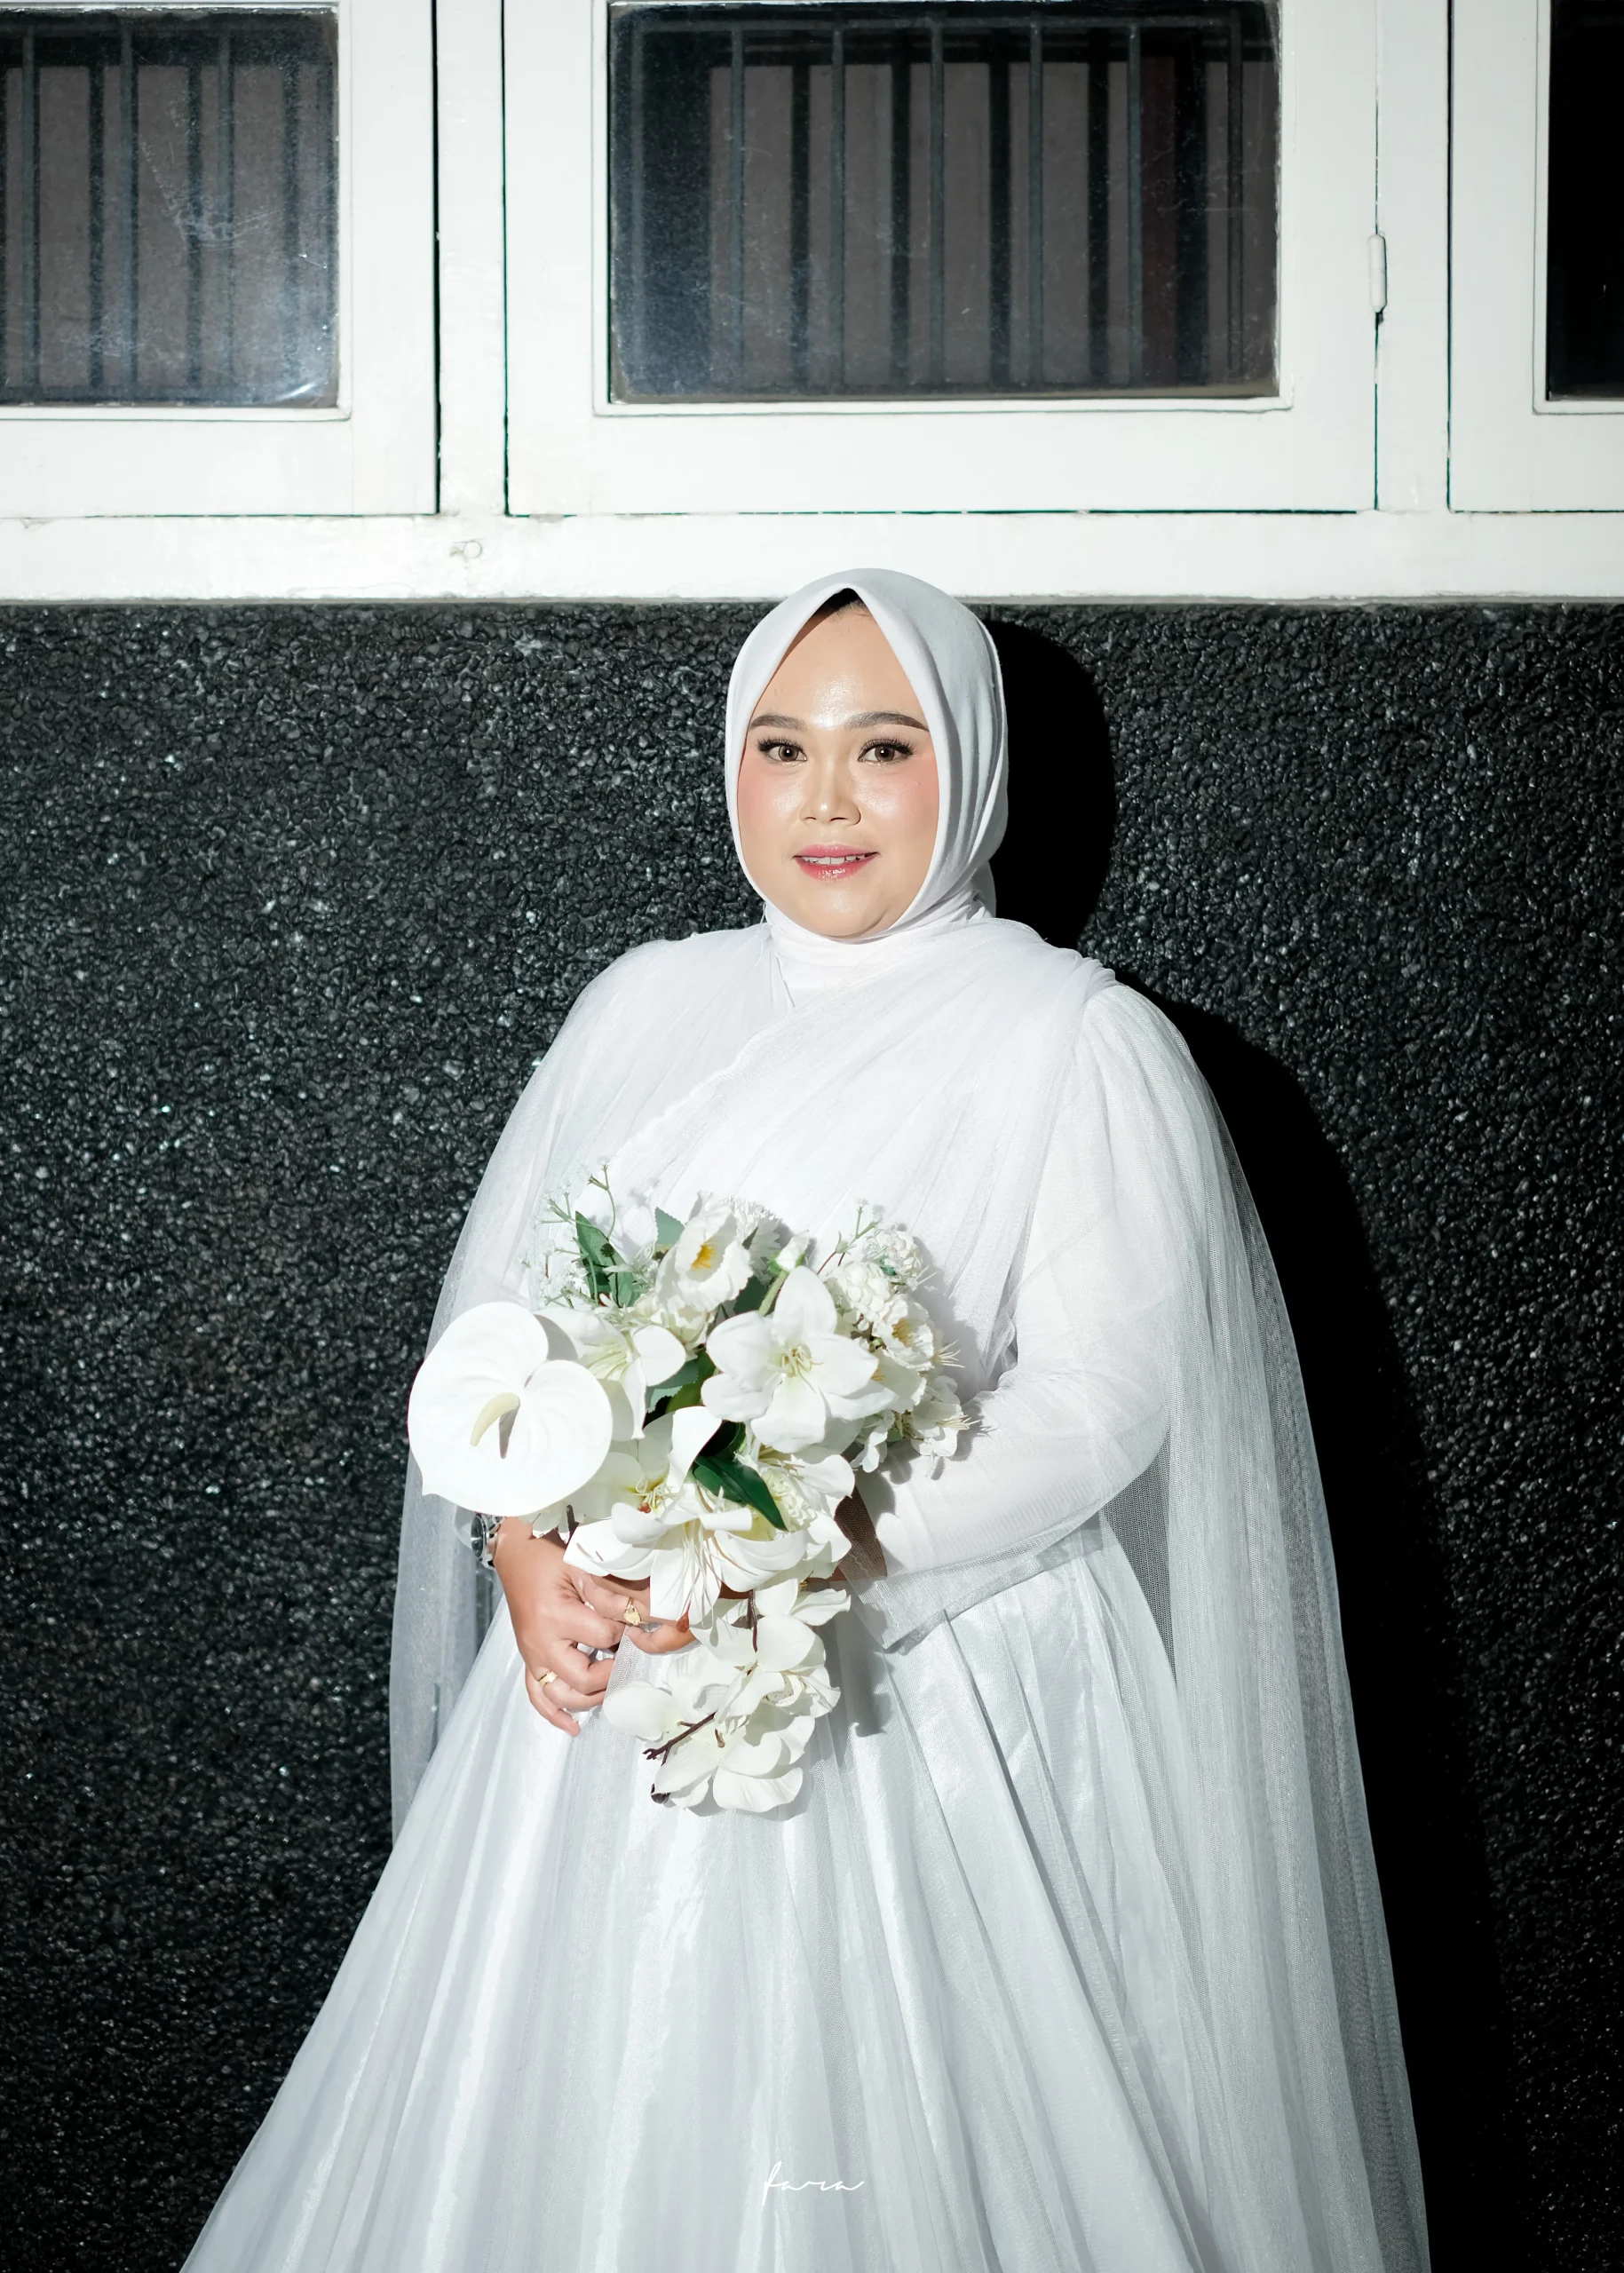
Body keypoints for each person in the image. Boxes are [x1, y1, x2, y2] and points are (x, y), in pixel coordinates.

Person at [181, 571, 1430, 2273]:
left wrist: (800, 1539)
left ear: (971, 770)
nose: (825, 798)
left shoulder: (1076, 1038)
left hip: (934, 1685)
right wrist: (527, 1544)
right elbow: (510, 1338)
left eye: (884, 747)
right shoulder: (642, 1005)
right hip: (623, 1684)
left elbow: (1102, 1400)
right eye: (782, 747)